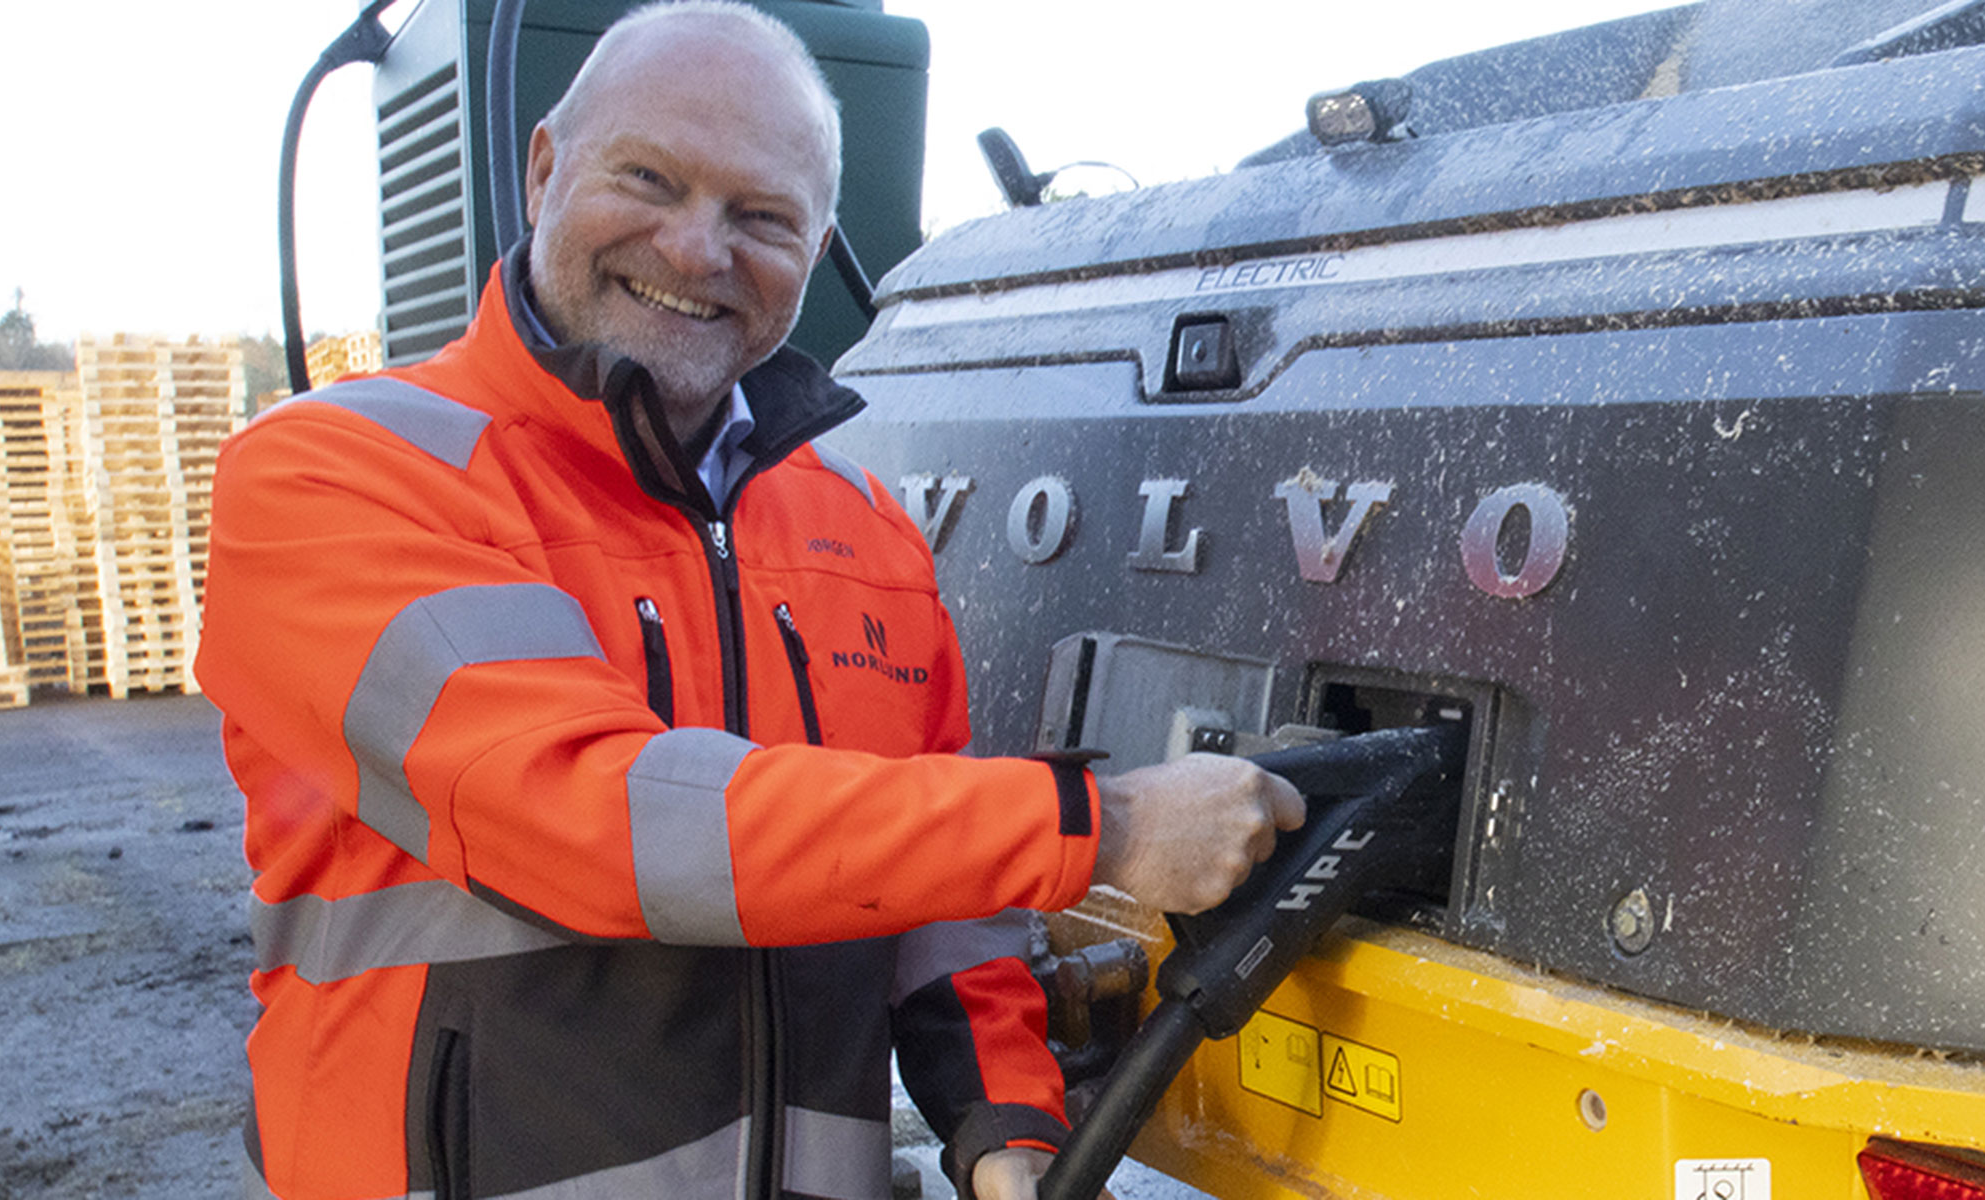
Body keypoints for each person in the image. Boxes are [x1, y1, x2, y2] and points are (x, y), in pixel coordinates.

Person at [195, 4, 1304, 1199]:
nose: (693, 249)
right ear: (542, 170)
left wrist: (1006, 1128)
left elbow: (949, 908)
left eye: (762, 218)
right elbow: (601, 823)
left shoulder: (864, 529)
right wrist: (1112, 828)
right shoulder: (338, 476)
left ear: (819, 243)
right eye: (649, 178)